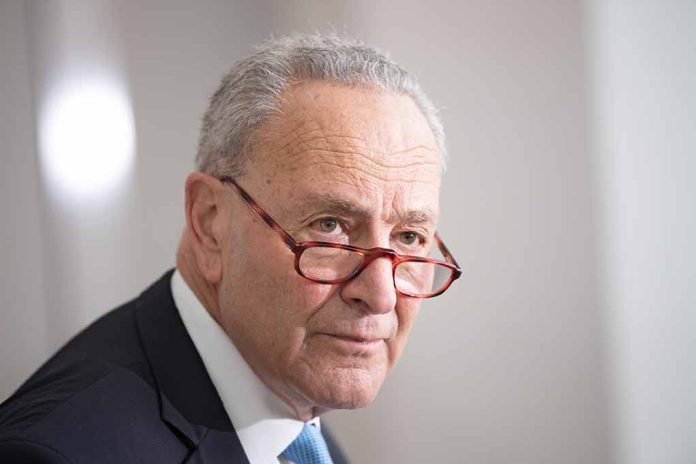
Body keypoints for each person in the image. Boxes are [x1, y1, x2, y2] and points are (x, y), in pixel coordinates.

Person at [0, 33, 461, 463]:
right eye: (330, 226)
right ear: (210, 224)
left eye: (408, 237)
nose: (381, 296)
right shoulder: (56, 452)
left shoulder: (291, 414)